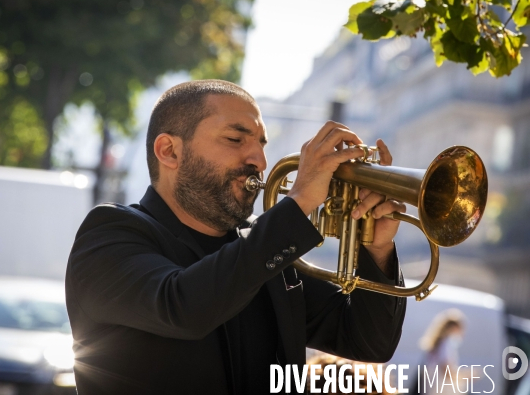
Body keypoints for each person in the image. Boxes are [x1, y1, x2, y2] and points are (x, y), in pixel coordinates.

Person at [65, 79, 407, 394]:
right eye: (235, 139)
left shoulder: (265, 249)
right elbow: (182, 307)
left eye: (261, 144)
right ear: (169, 151)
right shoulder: (110, 233)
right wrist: (299, 203)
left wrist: (377, 249)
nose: (259, 160)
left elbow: (368, 342)